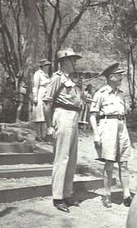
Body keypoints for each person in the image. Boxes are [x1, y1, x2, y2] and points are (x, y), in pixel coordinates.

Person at [43, 48, 83, 213]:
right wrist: (49, 125)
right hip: (62, 115)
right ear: (65, 61)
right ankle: (58, 197)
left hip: (73, 117)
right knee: (62, 158)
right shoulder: (57, 78)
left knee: (72, 158)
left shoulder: (70, 80)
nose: (75, 63)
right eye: (73, 60)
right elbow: (46, 102)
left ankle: (67, 194)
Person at [90, 63, 132, 208]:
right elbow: (92, 116)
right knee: (109, 163)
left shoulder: (121, 94)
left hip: (121, 127)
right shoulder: (100, 93)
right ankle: (107, 194)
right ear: (111, 77)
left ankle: (127, 195)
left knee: (124, 163)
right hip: (107, 127)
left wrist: (124, 129)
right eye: (119, 75)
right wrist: (96, 135)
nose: (121, 78)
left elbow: (124, 114)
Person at [32, 58, 51, 142]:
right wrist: (35, 97)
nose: (47, 67)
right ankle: (38, 135)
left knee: (44, 116)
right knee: (38, 116)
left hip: (46, 95)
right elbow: (35, 86)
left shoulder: (46, 74)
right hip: (40, 94)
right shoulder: (37, 74)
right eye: (46, 65)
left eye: (48, 65)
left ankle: (43, 135)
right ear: (42, 66)